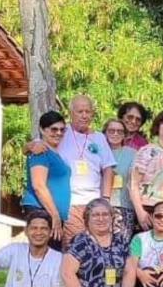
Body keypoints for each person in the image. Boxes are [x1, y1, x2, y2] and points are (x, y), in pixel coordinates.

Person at [27, 96, 117, 247]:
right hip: (71, 203)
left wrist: (106, 199)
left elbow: (108, 168)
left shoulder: (99, 137)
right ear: (71, 112)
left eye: (88, 111)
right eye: (80, 111)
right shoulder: (61, 132)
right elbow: (36, 145)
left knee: (96, 245)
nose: (84, 115)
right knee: (74, 246)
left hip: (95, 202)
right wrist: (29, 147)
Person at [59, 198, 134, 287]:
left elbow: (129, 272)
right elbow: (67, 274)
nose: (101, 219)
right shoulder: (79, 242)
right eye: (95, 215)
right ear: (87, 219)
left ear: (112, 217)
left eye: (105, 214)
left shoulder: (121, 241)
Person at [22, 111, 72, 246]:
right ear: (42, 130)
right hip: (42, 211)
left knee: (52, 259)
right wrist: (54, 215)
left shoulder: (54, 152)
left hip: (53, 214)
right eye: (54, 129)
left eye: (62, 130)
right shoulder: (40, 152)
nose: (59, 133)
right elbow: (38, 185)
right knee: (44, 257)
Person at [104, 119, 137, 238]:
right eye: (111, 131)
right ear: (105, 133)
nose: (115, 134)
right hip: (100, 206)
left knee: (121, 244)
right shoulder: (97, 152)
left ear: (124, 135)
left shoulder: (133, 154)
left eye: (119, 131)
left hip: (124, 205)